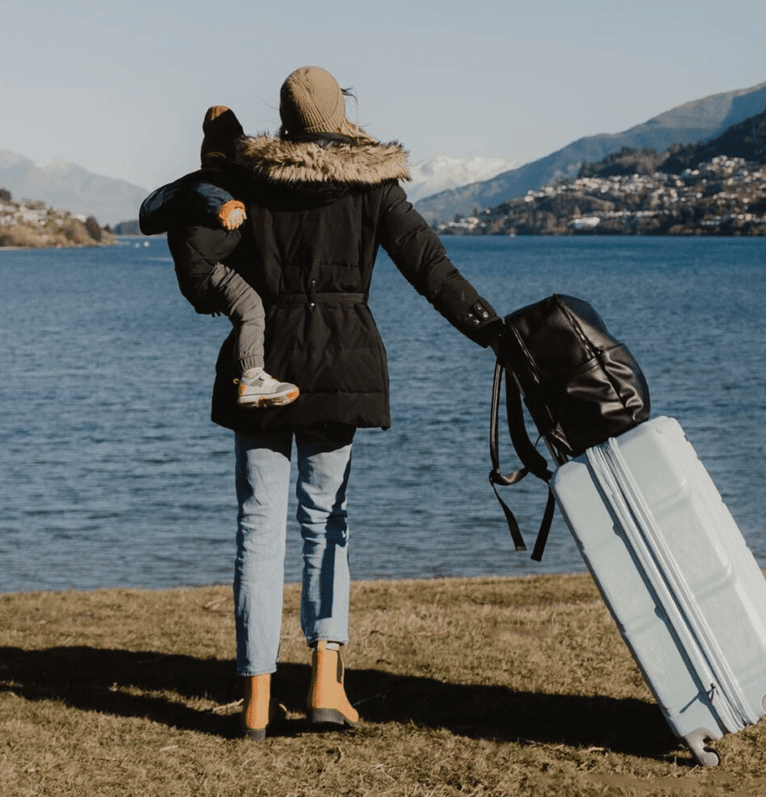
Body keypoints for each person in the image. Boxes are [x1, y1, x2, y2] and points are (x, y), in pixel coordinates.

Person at [208, 66, 501, 739]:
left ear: (284, 119)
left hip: (261, 363)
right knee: (325, 520)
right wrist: (492, 331)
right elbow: (431, 267)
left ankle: (255, 699)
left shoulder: (247, 181)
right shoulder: (373, 181)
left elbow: (204, 258)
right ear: (339, 115)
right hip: (339, 363)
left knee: (259, 528)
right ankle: (325, 687)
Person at [138, 105, 299, 408]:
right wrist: (227, 208)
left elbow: (150, 213)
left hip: (197, 275)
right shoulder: (211, 183)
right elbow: (208, 193)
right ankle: (252, 377)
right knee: (251, 309)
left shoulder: (183, 185)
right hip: (209, 271)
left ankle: (252, 371)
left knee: (243, 307)